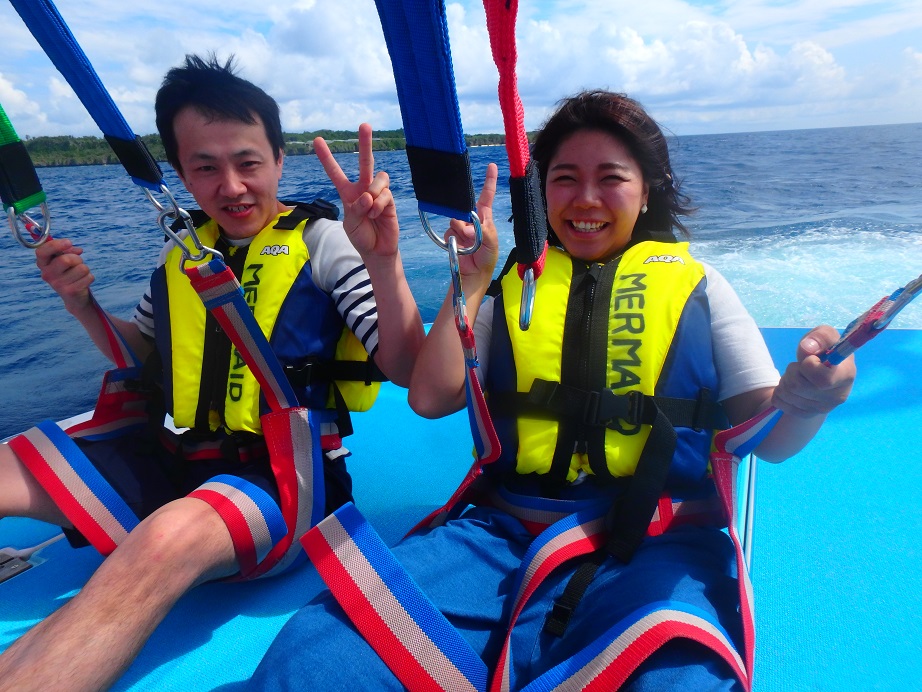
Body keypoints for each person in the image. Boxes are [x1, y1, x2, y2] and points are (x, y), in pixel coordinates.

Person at [249, 90, 856, 690]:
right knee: (308, 665)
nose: (585, 198)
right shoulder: (512, 287)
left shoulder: (701, 287)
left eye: (611, 178)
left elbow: (770, 436)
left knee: (679, 682)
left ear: (647, 190)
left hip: (658, 546)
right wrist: (470, 282)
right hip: (497, 541)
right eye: (565, 178)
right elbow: (430, 398)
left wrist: (811, 399)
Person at [0, 54, 424, 690]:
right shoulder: (183, 247)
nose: (231, 187)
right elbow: (145, 355)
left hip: (287, 482)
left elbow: (408, 368)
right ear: (181, 174)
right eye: (205, 168)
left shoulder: (323, 242)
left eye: (248, 163)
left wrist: (385, 261)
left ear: (278, 160)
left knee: (164, 539)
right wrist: (82, 303)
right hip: (177, 462)